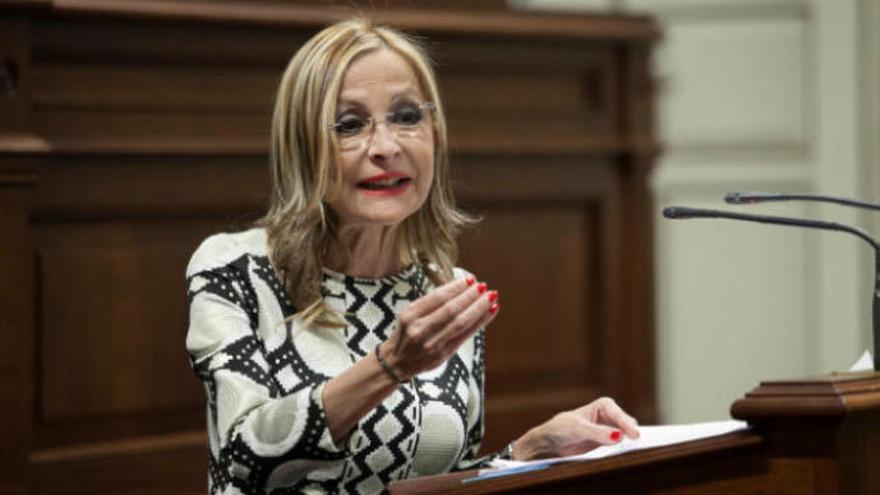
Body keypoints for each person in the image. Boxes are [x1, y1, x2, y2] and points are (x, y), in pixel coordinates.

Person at [185, 18, 640, 495]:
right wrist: (389, 366)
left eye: (406, 117)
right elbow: (245, 458)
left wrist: (528, 451)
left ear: (435, 134)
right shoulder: (235, 269)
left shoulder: (447, 290)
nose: (386, 147)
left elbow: (436, 482)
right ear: (303, 146)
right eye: (349, 125)